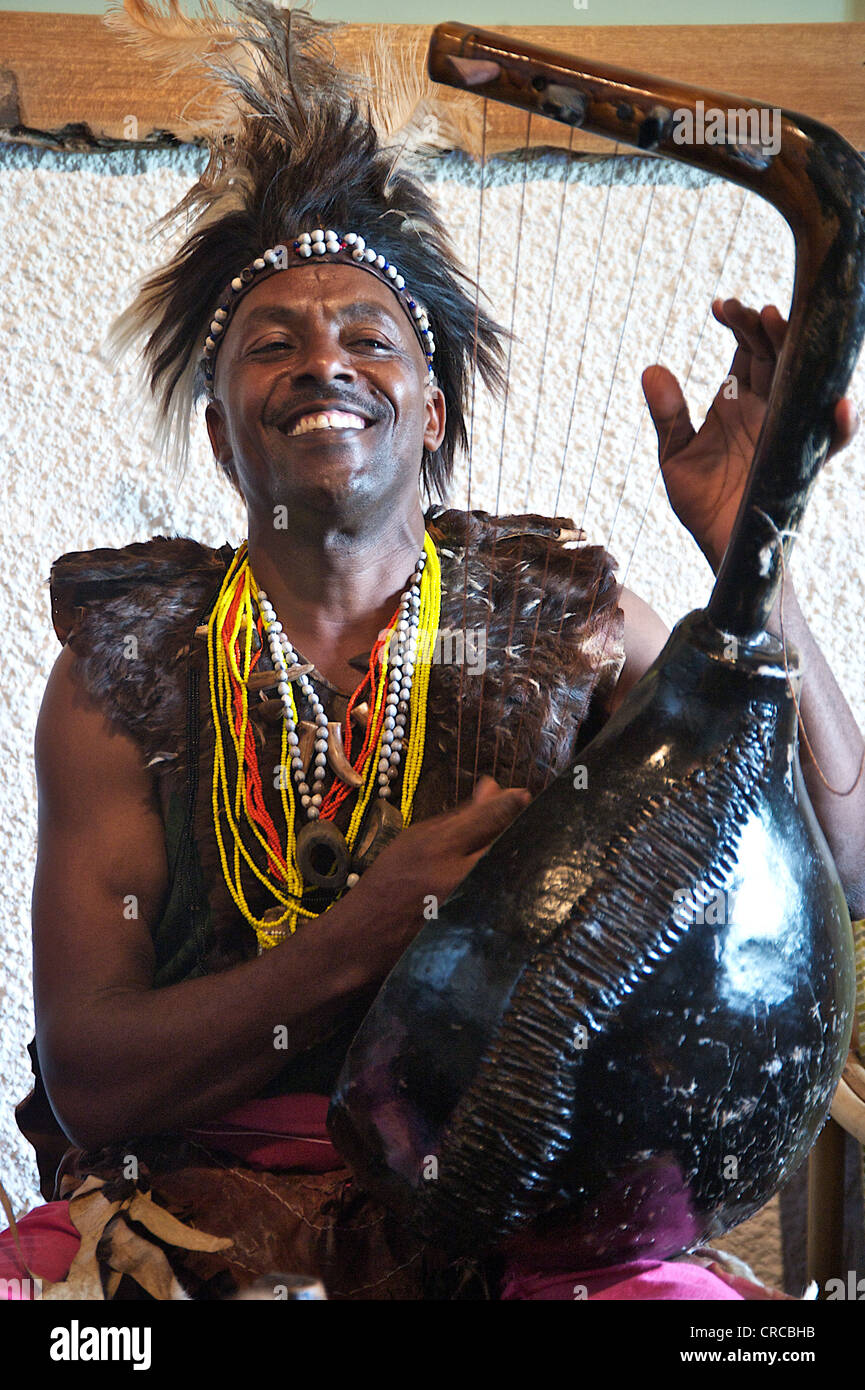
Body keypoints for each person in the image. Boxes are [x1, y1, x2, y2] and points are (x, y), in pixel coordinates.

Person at [2, 1, 863, 1300]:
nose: (323, 363)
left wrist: (758, 551)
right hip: (191, 1216)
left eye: (365, 336)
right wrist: (365, 932)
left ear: (433, 408)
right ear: (223, 433)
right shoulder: (131, 666)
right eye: (272, 342)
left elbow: (842, 861)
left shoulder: (562, 622)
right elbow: (94, 1072)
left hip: (524, 1217)